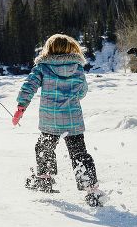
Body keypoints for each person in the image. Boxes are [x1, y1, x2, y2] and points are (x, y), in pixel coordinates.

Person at [12, 33, 101, 205]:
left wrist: (21, 107)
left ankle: (45, 179)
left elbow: (29, 86)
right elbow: (82, 91)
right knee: (79, 154)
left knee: (44, 148)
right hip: (73, 120)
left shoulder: (43, 67)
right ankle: (92, 190)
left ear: (49, 49)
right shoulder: (77, 67)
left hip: (49, 120)